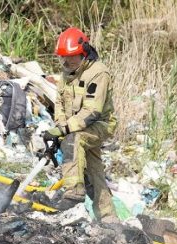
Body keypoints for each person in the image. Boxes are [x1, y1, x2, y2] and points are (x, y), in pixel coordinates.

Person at [45, 27, 117, 220]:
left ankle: (74, 191)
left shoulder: (98, 73)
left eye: (72, 57)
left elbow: (92, 112)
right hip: (77, 125)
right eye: (63, 58)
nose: (66, 62)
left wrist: (65, 130)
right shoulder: (68, 71)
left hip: (99, 124)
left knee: (73, 140)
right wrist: (59, 125)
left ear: (84, 53)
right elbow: (60, 101)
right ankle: (109, 220)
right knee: (94, 172)